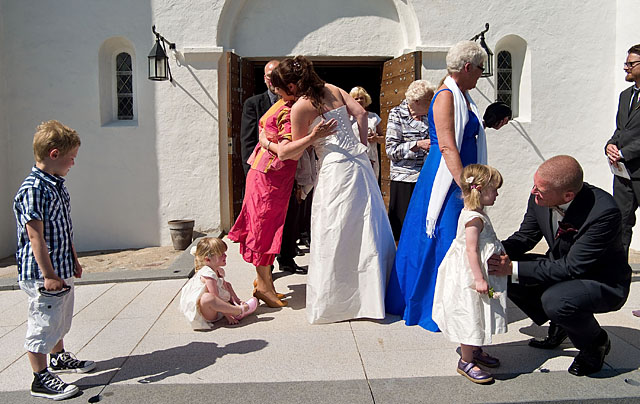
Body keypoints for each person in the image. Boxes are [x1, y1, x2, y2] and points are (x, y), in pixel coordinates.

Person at [265, 56, 396, 324]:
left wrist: (273, 144)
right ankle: (377, 295)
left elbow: (295, 152)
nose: (278, 93)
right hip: (359, 164)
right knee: (367, 226)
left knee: (335, 229)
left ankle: (338, 301)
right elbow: (360, 113)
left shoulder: (300, 108)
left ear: (291, 85)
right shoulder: (333, 88)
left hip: (335, 169)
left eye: (280, 89)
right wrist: (360, 146)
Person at [488, 155, 632, 376]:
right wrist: (490, 254)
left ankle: (596, 343)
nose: (534, 191)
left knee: (555, 300)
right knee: (501, 273)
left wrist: (512, 268)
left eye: (541, 189)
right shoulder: (540, 195)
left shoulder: (604, 212)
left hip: (602, 281)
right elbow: (525, 237)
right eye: (534, 185)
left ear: (568, 195)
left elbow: (572, 267)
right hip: (564, 268)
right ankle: (561, 323)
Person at [385, 41, 489, 331]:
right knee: (444, 234)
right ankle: (434, 303)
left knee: (457, 234)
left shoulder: (464, 95)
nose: (482, 74)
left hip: (462, 172)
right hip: (449, 177)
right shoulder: (446, 96)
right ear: (467, 67)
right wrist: (466, 186)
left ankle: (456, 299)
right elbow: (446, 145)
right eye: (481, 68)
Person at [229, 66, 337, 308]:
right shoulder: (290, 109)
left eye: (277, 86)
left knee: (264, 227)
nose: (275, 90)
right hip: (271, 176)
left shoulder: (283, 105)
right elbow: (288, 152)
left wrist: (266, 141)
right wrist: (313, 137)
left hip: (267, 174)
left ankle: (264, 282)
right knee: (264, 229)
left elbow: (266, 135)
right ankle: (264, 284)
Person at [13, 120, 95, 400]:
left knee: (59, 317)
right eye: (71, 159)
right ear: (54, 154)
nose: (74, 164)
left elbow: (63, 226)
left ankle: (58, 357)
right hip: (41, 273)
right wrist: (48, 274)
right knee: (43, 322)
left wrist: (73, 260)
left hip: (60, 266)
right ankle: (40, 377)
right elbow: (36, 237)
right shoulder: (34, 189)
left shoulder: (56, 184)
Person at [432, 164, 507, 384]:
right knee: (470, 312)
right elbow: (471, 249)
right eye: (494, 189)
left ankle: (474, 348)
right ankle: (466, 360)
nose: (497, 193)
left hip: (473, 271)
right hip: (470, 275)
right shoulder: (473, 218)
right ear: (481, 190)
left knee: (478, 310)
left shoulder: (476, 212)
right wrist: (479, 279)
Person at [239, 60, 303, 273]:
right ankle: (265, 274)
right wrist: (252, 173)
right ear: (265, 79)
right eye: (269, 77)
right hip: (266, 172)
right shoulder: (255, 103)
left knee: (288, 218)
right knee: (264, 223)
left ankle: (287, 258)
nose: (273, 82)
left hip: (288, 172)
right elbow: (248, 141)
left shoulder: (294, 104)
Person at [385, 80, 435, 241]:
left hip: (426, 176)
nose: (432, 103)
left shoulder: (429, 115)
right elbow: (391, 150)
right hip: (404, 180)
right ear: (417, 101)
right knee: (404, 229)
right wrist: (417, 145)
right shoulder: (397, 114)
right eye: (429, 100)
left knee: (424, 228)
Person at [605, 44, 640, 256]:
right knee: (621, 223)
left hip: (635, 164)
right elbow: (621, 129)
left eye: (631, 64)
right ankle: (618, 269)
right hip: (624, 174)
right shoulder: (625, 96)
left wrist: (626, 153)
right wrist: (610, 145)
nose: (626, 68)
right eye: (625, 63)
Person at [179, 237, 258, 330]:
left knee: (227, 284)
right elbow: (216, 298)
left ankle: (237, 302)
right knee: (207, 298)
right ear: (208, 260)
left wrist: (233, 299)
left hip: (215, 307)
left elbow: (224, 287)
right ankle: (238, 311)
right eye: (221, 254)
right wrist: (228, 315)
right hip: (206, 313)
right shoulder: (208, 275)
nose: (225, 256)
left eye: (224, 253)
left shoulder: (218, 270)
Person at [349, 86, 384, 181]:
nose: (359, 100)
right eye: (356, 98)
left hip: (371, 157)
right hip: (353, 157)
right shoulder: (348, 119)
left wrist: (376, 138)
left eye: (361, 98)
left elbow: (383, 138)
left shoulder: (373, 117)